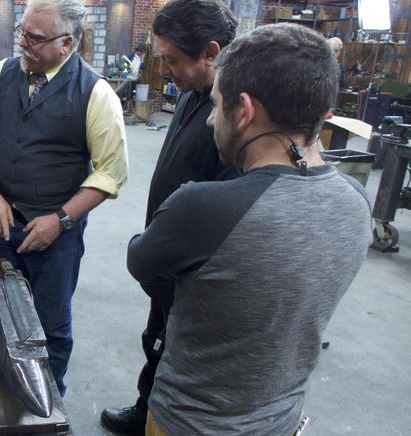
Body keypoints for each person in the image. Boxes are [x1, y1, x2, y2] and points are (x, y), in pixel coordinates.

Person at [130, 23, 372, 434]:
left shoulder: (203, 208)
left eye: (216, 104)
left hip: (189, 423)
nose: (209, 121)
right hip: (280, 421)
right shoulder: (356, 201)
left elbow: (142, 261)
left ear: (244, 110)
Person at [0, 0, 128, 396]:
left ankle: (48, 403)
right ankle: (10, 387)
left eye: (34, 38)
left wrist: (61, 220)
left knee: (52, 325)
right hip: (6, 224)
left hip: (58, 235)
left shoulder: (96, 94)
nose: (22, 43)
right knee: (8, 314)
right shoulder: (0, 76)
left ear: (66, 44)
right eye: (22, 32)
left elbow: (110, 172)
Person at [101, 0, 239, 433]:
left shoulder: (231, 112)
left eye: (172, 59)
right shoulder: (192, 93)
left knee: (175, 351)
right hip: (168, 255)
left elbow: (228, 208)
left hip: (194, 272)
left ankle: (158, 419)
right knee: (156, 341)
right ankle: (146, 412)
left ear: (211, 52)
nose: (163, 69)